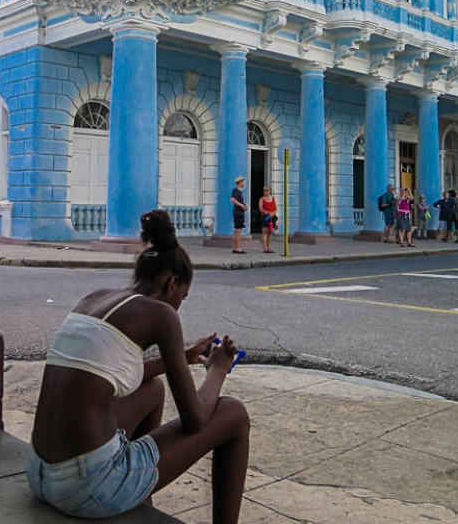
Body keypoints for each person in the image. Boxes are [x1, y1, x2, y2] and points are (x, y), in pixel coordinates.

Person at [27, 210, 250, 524]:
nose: (179, 305)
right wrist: (218, 370)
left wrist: (183, 357)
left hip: (40, 473)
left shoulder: (96, 298)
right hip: (86, 488)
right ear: (172, 284)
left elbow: (109, 374)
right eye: (183, 297)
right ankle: (127, 489)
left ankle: (141, 500)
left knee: (152, 388)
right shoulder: (163, 314)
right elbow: (195, 420)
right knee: (233, 413)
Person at [231, 177, 248, 255]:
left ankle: (235, 248)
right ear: (240, 182)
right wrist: (241, 205)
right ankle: (237, 248)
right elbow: (233, 199)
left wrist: (244, 206)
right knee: (238, 230)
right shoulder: (236, 191)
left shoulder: (239, 192)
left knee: (237, 230)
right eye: (243, 182)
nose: (244, 183)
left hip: (240, 212)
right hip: (238, 213)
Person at [258, 185, 278, 254]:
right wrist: (267, 212)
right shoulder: (261, 199)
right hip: (265, 217)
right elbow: (260, 209)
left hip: (272, 217)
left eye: (266, 190)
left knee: (270, 232)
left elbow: (276, 208)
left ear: (270, 191)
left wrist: (273, 213)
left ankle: (268, 247)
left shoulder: (273, 199)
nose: (265, 192)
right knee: (265, 232)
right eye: (264, 190)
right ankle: (265, 248)